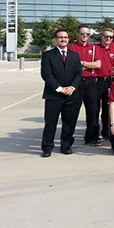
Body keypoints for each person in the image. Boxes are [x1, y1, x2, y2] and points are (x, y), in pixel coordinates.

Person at [40, 29, 83, 157]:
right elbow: (46, 74)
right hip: (54, 95)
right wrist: (59, 88)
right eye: (60, 37)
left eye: (65, 37)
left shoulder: (74, 55)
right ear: (55, 39)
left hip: (71, 94)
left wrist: (72, 87)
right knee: (50, 122)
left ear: (68, 39)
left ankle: (66, 145)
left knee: (69, 122)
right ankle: (47, 147)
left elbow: (78, 73)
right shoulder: (48, 55)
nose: (63, 39)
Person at [68, 24, 102, 147]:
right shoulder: (71, 47)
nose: (85, 36)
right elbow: (70, 64)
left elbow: (98, 65)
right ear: (78, 34)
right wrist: (88, 64)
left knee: (93, 110)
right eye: (82, 33)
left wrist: (82, 63)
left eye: (87, 34)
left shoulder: (93, 48)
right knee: (72, 111)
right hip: (75, 81)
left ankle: (92, 137)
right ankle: (67, 138)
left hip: (91, 81)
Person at [93, 28, 114, 140]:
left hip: (110, 81)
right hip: (97, 81)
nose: (108, 39)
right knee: (94, 109)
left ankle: (106, 131)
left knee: (107, 108)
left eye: (110, 37)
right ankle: (94, 133)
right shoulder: (95, 48)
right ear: (102, 37)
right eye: (106, 36)